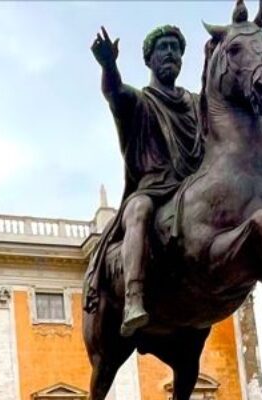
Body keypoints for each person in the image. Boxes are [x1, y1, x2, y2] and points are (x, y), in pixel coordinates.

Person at [86, 23, 204, 337]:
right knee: (137, 211)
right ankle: (134, 298)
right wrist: (109, 65)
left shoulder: (196, 104)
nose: (170, 54)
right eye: (163, 48)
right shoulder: (141, 102)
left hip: (192, 188)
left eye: (176, 49)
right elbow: (115, 93)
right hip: (152, 188)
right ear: (149, 59)